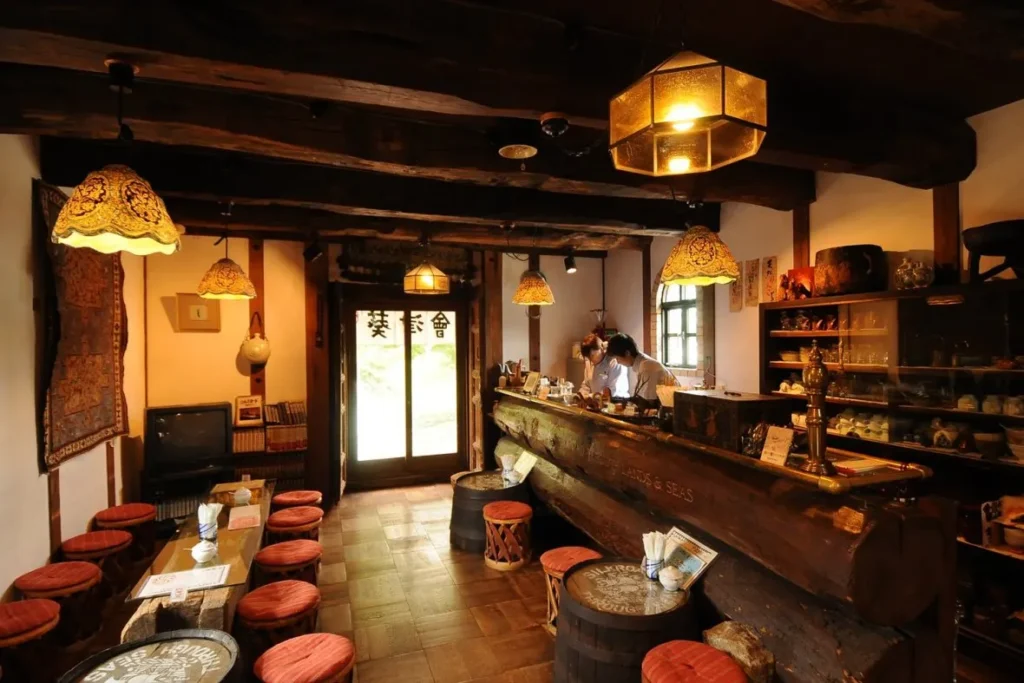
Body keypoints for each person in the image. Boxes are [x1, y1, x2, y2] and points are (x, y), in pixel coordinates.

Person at [605, 333, 679, 406]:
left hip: (672, 408)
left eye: (617, 358)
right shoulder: (642, 363)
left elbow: (648, 402)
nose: (617, 362)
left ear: (627, 353)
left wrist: (617, 401)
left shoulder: (647, 366)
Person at [578, 333, 630, 399]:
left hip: (617, 401)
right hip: (598, 401)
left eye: (592, 355)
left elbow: (610, 392)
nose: (590, 360)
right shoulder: (589, 362)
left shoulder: (615, 361)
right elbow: (586, 385)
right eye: (587, 357)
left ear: (601, 349)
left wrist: (591, 396)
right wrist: (580, 396)